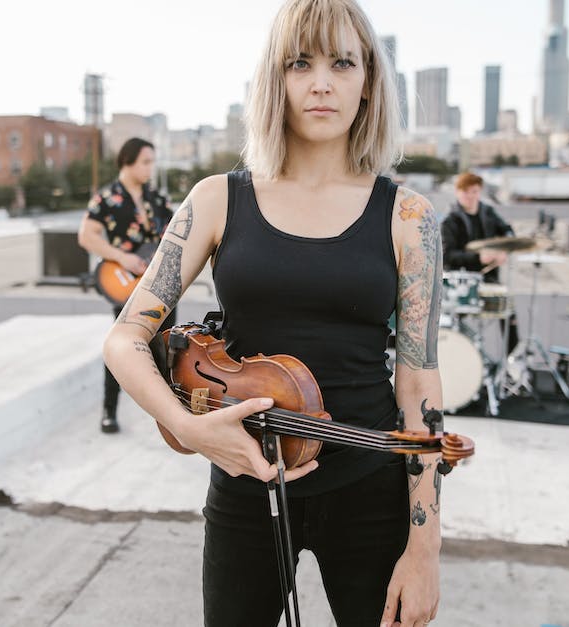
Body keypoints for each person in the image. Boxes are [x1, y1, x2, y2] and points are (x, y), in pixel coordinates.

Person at [102, 1, 443, 624]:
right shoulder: (215, 200)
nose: (321, 82)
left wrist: (424, 552)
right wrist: (192, 428)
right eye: (300, 62)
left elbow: (419, 383)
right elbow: (124, 340)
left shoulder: (409, 218)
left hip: (370, 488)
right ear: (274, 80)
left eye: (343, 62)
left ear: (367, 82)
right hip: (246, 483)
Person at [77, 138, 175, 434]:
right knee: (121, 349)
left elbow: (177, 233)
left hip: (161, 285)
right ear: (127, 161)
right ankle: (109, 411)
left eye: (152, 162)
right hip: (127, 286)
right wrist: (123, 258)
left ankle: (173, 418)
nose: (150, 168)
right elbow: (87, 236)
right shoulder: (106, 198)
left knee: (169, 349)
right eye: (145, 162)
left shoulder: (156, 198)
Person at [440, 171, 520, 356]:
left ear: (480, 191)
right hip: (461, 285)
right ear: (457, 192)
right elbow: (447, 256)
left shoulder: (488, 212)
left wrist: (504, 250)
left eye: (474, 191)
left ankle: (507, 363)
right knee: (454, 328)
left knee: (509, 314)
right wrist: (478, 259)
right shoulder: (450, 221)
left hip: (488, 279)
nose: (470, 196)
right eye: (465, 191)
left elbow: (507, 231)